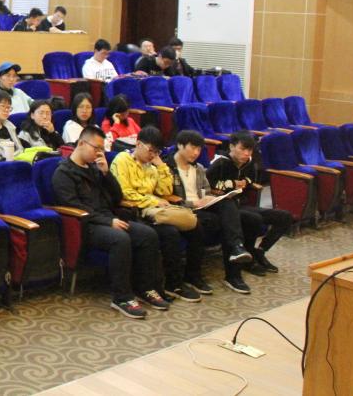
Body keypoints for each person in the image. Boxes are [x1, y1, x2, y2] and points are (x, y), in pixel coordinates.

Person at [52, 125, 162, 319]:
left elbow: (117, 197)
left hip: (109, 218)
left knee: (148, 234)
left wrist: (106, 173)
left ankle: (144, 287)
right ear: (81, 143)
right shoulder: (63, 173)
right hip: (86, 225)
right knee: (120, 239)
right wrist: (108, 222)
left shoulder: (95, 168)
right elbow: (76, 208)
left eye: (101, 149)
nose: (99, 153)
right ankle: (122, 297)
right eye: (96, 148)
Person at [110, 127, 204, 303]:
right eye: (151, 150)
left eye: (157, 152)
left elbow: (165, 191)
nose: (153, 155)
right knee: (170, 233)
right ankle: (168, 284)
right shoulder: (122, 160)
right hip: (132, 212)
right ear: (138, 144)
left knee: (196, 227)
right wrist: (153, 201)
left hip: (154, 211)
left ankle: (190, 277)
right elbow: (124, 193)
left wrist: (161, 166)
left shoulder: (152, 167)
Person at [165, 130, 251, 293]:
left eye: (199, 149)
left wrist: (209, 198)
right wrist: (193, 203)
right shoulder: (167, 168)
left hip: (202, 207)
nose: (196, 153)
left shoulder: (198, 168)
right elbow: (167, 197)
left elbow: (206, 190)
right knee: (227, 222)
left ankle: (236, 256)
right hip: (182, 209)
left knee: (229, 207)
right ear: (180, 145)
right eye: (193, 148)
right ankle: (232, 258)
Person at [207, 132, 292, 280]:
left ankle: (260, 251)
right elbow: (208, 185)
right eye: (243, 149)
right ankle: (247, 258)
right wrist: (232, 184)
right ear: (232, 147)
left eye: (250, 150)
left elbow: (251, 179)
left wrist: (244, 182)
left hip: (241, 204)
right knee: (254, 219)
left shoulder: (249, 162)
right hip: (224, 207)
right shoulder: (220, 162)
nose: (246, 153)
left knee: (284, 217)